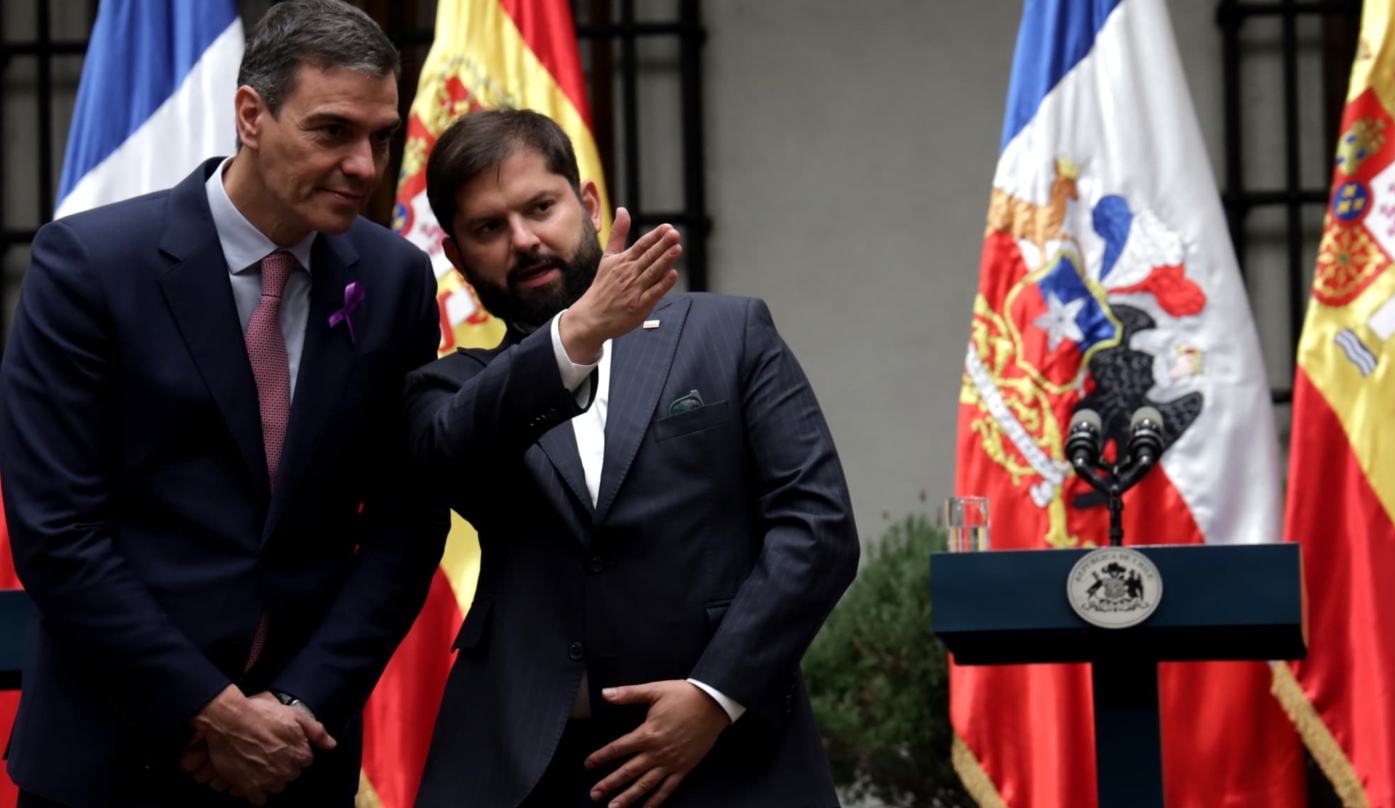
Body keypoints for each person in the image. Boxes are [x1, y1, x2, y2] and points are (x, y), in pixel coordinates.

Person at [0, 1, 448, 805]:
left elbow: (405, 527)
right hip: (113, 757)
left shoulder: (394, 280)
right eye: (332, 130)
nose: (365, 165)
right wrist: (210, 714)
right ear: (250, 114)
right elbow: (57, 531)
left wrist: (293, 710)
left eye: (381, 136)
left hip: (294, 760)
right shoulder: (89, 267)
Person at [406, 108, 860, 808]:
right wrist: (575, 335)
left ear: (587, 204)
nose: (524, 240)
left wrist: (717, 694)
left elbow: (818, 528)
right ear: (459, 260)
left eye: (540, 207)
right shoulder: (454, 388)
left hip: (733, 757)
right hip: (528, 770)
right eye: (489, 229)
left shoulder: (728, 334)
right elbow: (447, 459)